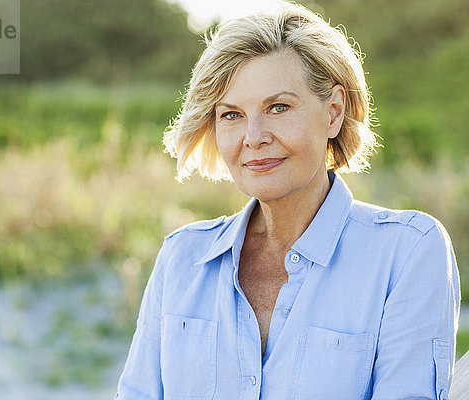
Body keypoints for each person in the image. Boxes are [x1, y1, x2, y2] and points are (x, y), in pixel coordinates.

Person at [115, 1, 461, 399]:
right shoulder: (182, 258)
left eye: (278, 107)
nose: (254, 136)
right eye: (231, 114)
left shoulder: (408, 252)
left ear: (333, 112)